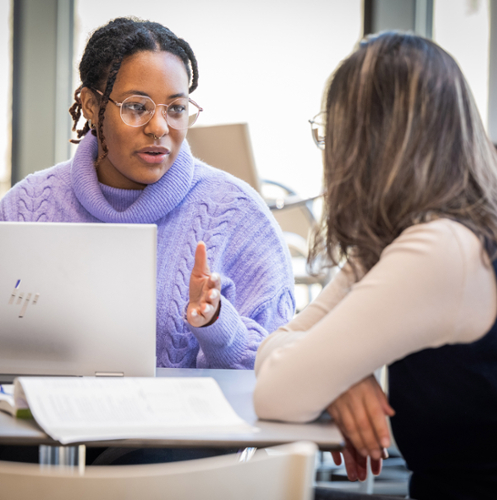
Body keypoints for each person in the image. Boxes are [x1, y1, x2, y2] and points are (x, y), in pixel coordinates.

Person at [254, 32, 497, 500]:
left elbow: (276, 393)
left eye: (332, 133)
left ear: (367, 142)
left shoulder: (440, 249)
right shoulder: (423, 237)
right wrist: (341, 376)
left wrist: (326, 371)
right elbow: (280, 346)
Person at [0, 17, 295, 371]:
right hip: (42, 425)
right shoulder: (26, 206)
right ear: (92, 106)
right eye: (137, 107)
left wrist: (220, 326)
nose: (159, 128)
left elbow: (281, 368)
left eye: (176, 109)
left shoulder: (239, 215)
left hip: (181, 428)